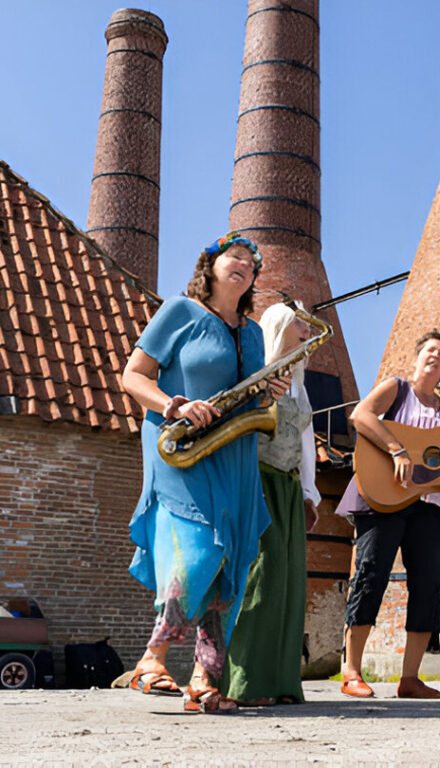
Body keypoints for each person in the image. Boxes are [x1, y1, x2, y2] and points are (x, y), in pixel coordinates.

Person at [122, 232, 287, 714]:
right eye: (234, 257)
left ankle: (204, 679)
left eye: (252, 263)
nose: (244, 265)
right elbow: (133, 375)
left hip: (233, 454)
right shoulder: (180, 312)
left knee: (230, 565)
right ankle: (152, 659)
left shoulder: (253, 333)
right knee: (195, 553)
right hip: (179, 447)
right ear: (210, 266)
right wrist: (173, 405)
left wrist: (269, 390)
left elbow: (249, 395)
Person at [338, 330, 440, 699]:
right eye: (430, 350)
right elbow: (361, 415)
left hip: (428, 506)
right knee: (371, 575)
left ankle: (410, 678)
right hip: (383, 497)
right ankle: (351, 670)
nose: (435, 355)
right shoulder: (396, 389)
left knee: (429, 585)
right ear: (417, 357)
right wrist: (398, 450)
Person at [218, 302, 322, 706]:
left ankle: (280, 682)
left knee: (288, 583)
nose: (306, 333)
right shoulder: (257, 375)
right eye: (299, 325)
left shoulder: (299, 383)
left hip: (290, 488)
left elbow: (307, 443)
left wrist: (311, 493)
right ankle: (246, 683)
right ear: (279, 328)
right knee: (260, 579)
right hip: (258, 481)